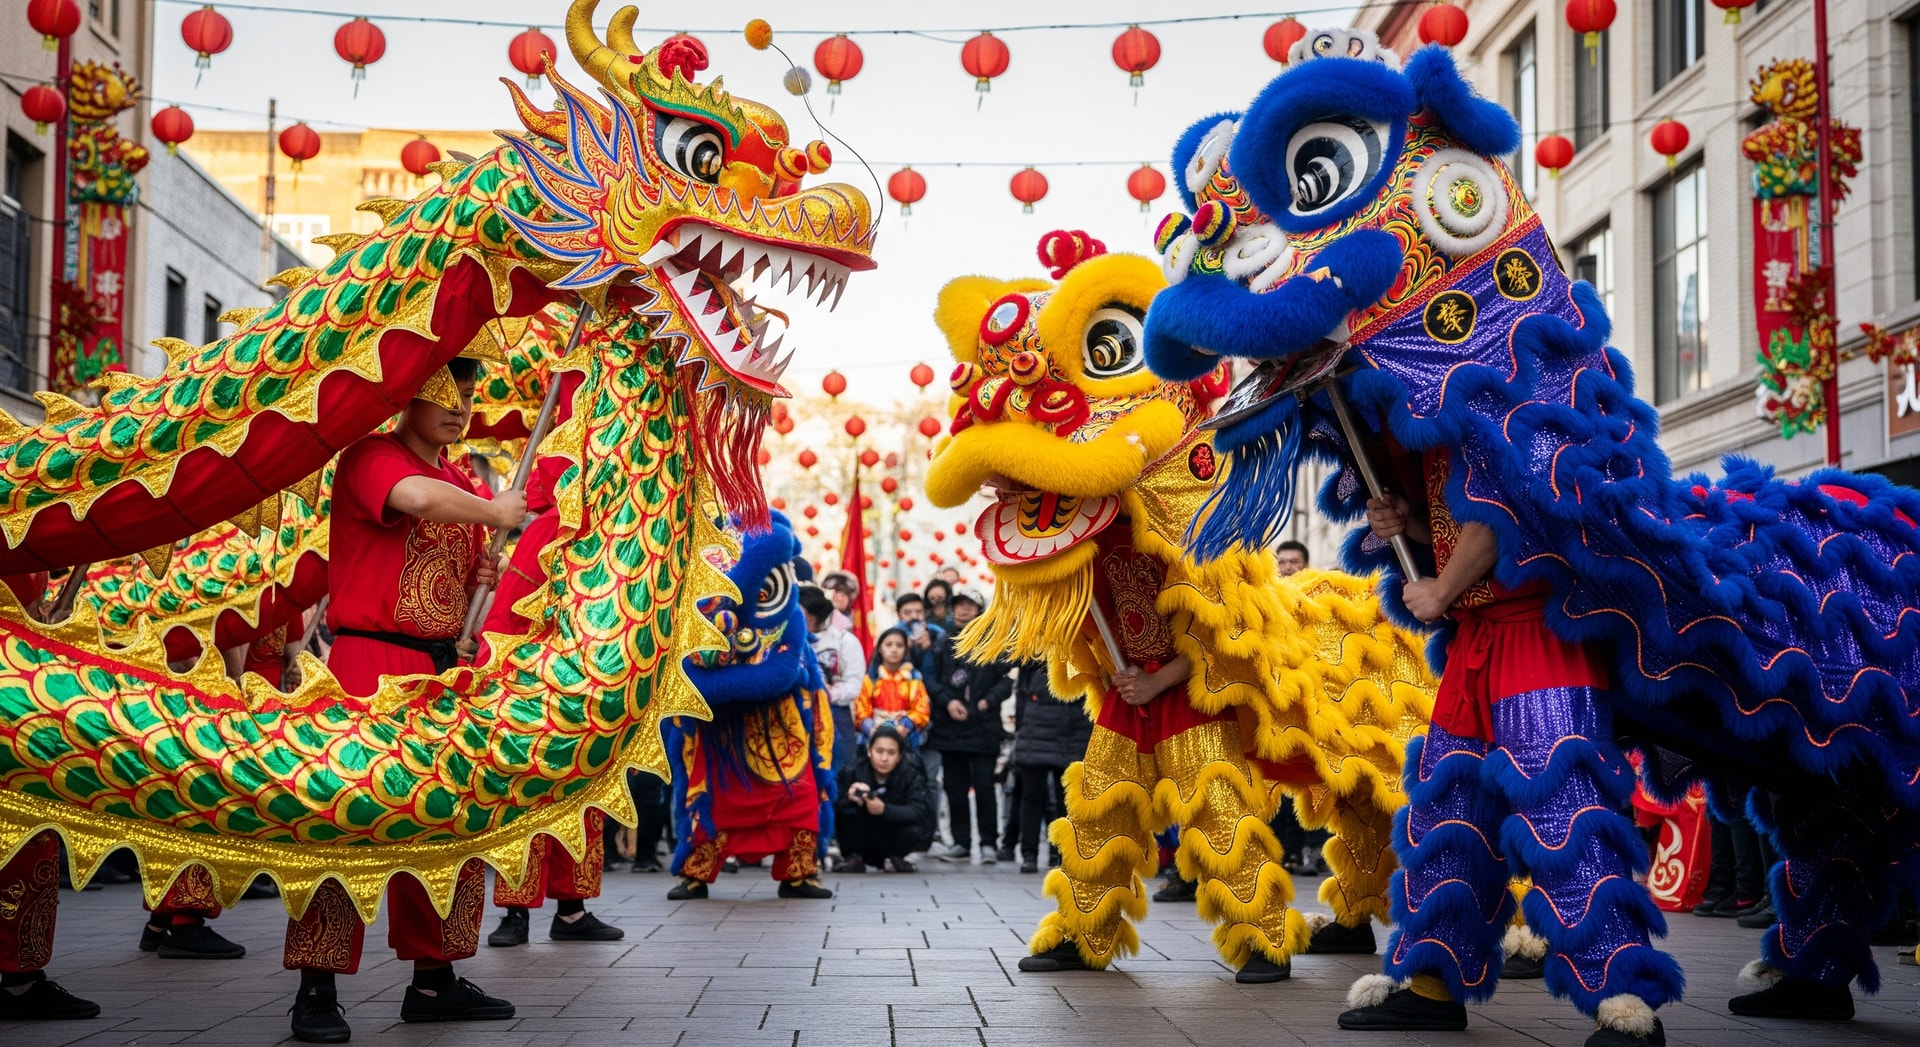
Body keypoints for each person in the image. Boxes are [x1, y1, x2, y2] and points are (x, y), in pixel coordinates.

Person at [1336, 456, 1680, 1042]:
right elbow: (1464, 516)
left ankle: (1626, 1005)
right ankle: (1432, 984)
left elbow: (1511, 499)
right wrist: (1411, 523)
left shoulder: (1514, 384)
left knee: (1564, 818)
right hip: (1478, 641)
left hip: (1541, 638)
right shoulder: (1434, 413)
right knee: (1450, 818)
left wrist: (1441, 588)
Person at [287, 358, 524, 1044]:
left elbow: (452, 543)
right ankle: (316, 984)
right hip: (369, 663)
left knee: (448, 822)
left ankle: (434, 977)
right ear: (407, 393)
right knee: (347, 815)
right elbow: (414, 501)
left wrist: (484, 566)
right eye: (443, 390)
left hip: (443, 670)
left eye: (470, 391)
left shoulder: (464, 478)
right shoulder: (370, 455)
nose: (460, 405)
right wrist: (493, 510)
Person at [478, 463, 624, 949]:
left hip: (585, 691)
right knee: (524, 800)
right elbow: (507, 617)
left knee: (582, 801)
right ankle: (515, 910)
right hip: (531, 690)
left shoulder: (612, 534)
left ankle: (573, 908)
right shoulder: (546, 530)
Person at [926, 590, 1013, 865]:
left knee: (985, 786)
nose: (963, 610)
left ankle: (988, 843)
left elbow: (1006, 680)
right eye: (959, 605)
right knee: (954, 786)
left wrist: (989, 701)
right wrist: (947, 701)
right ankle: (961, 842)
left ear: (979, 609)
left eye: (969, 605)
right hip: (949, 727)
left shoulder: (993, 640)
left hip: (984, 727)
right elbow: (929, 677)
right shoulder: (942, 640)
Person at [1008, 661, 1092, 874]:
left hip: (1064, 731)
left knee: (1053, 798)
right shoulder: (1036, 650)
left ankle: (1043, 853)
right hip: (1044, 731)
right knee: (1041, 796)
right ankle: (1047, 853)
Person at [834, 725, 937, 873]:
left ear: (900, 756)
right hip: (863, 835)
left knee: (915, 826)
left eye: (891, 753)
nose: (884, 758)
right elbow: (833, 807)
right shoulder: (854, 770)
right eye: (879, 751)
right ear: (869, 751)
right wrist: (848, 798)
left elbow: (921, 810)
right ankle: (854, 857)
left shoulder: (911, 774)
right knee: (848, 814)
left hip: (893, 836)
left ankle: (896, 858)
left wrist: (885, 809)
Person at [803, 585, 865, 773]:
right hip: (801, 712)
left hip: (836, 713)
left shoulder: (845, 641)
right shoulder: (791, 641)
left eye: (806, 618)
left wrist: (829, 692)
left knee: (840, 770)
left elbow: (854, 684)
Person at [854, 628, 930, 746]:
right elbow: (861, 710)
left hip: (905, 736)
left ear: (905, 649)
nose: (894, 649)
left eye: (899, 645)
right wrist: (870, 727)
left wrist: (905, 724)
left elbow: (922, 710)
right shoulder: (871, 678)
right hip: (875, 735)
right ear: (880, 648)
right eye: (889, 645)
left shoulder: (913, 678)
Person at [893, 592, 946, 677]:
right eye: (908, 612)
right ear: (900, 615)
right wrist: (904, 648)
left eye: (918, 612)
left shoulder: (937, 633)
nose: (914, 616)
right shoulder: (891, 636)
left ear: (924, 613)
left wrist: (929, 649)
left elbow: (945, 667)